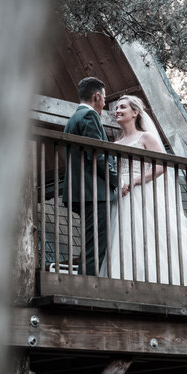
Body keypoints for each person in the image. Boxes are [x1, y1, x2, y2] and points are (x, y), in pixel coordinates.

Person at [100, 95, 187, 288]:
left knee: (150, 234)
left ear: (135, 112)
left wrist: (134, 182)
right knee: (124, 236)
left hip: (142, 192)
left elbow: (160, 167)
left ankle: (160, 280)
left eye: (122, 107)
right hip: (121, 193)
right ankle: (126, 281)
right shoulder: (116, 145)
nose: (117, 110)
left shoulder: (145, 137)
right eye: (116, 107)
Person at [62, 77, 118, 275]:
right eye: (104, 98)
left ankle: (84, 281)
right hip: (94, 191)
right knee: (96, 244)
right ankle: (87, 285)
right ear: (96, 96)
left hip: (79, 190)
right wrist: (117, 181)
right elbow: (98, 156)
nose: (104, 102)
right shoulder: (89, 116)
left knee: (91, 241)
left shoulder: (72, 120)